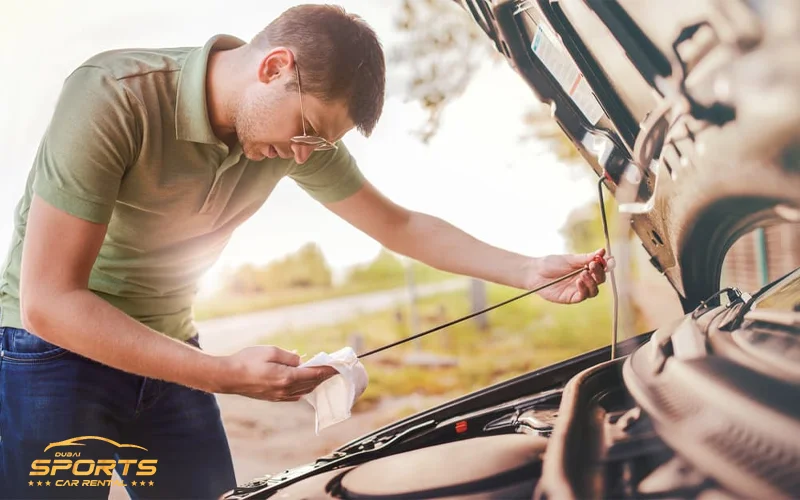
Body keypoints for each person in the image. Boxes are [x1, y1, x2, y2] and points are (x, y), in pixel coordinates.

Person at [0, 4, 610, 498]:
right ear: (275, 68)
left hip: (171, 347)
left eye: (317, 142)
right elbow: (50, 302)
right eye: (306, 129)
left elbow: (400, 226)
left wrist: (528, 270)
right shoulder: (114, 95)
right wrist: (224, 375)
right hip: (51, 354)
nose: (303, 154)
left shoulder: (291, 138)